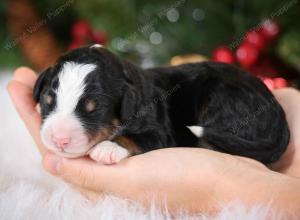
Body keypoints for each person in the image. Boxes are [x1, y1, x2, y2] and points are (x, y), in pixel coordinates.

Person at [7, 67, 300, 215]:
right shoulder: (133, 96)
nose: (59, 134)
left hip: (234, 100)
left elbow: (156, 136)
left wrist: (218, 186)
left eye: (91, 111)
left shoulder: (141, 104)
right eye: (49, 104)